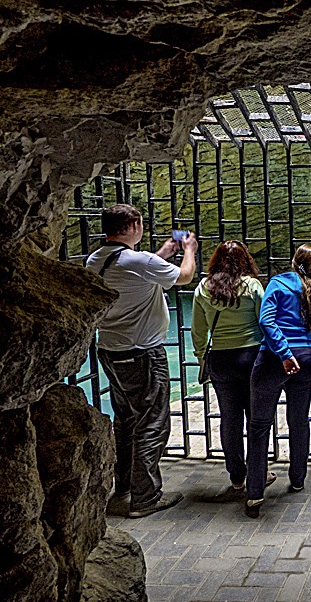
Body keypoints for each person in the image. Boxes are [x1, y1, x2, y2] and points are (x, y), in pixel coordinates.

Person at [86, 204, 197, 517]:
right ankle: (146, 497)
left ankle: (123, 487)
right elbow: (185, 276)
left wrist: (163, 254)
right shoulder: (140, 261)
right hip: (143, 353)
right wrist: (188, 250)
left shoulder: (97, 259)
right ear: (134, 226)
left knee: (126, 422)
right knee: (152, 422)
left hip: (111, 350)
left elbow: (138, 274)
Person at [244, 245, 311, 518]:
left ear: (293, 261)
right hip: (305, 358)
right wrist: (304, 353)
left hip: (273, 359)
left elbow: (266, 320)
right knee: (299, 421)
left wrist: (284, 353)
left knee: (259, 426)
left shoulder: (278, 284)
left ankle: (255, 493)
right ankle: (298, 478)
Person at [190, 240, 266, 499]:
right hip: (251, 357)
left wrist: (202, 358)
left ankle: (236, 475)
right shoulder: (252, 286)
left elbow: (198, 331)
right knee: (256, 419)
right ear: (245, 260)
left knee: (229, 419)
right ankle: (258, 473)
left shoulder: (203, 288)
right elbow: (264, 322)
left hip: (220, 359)